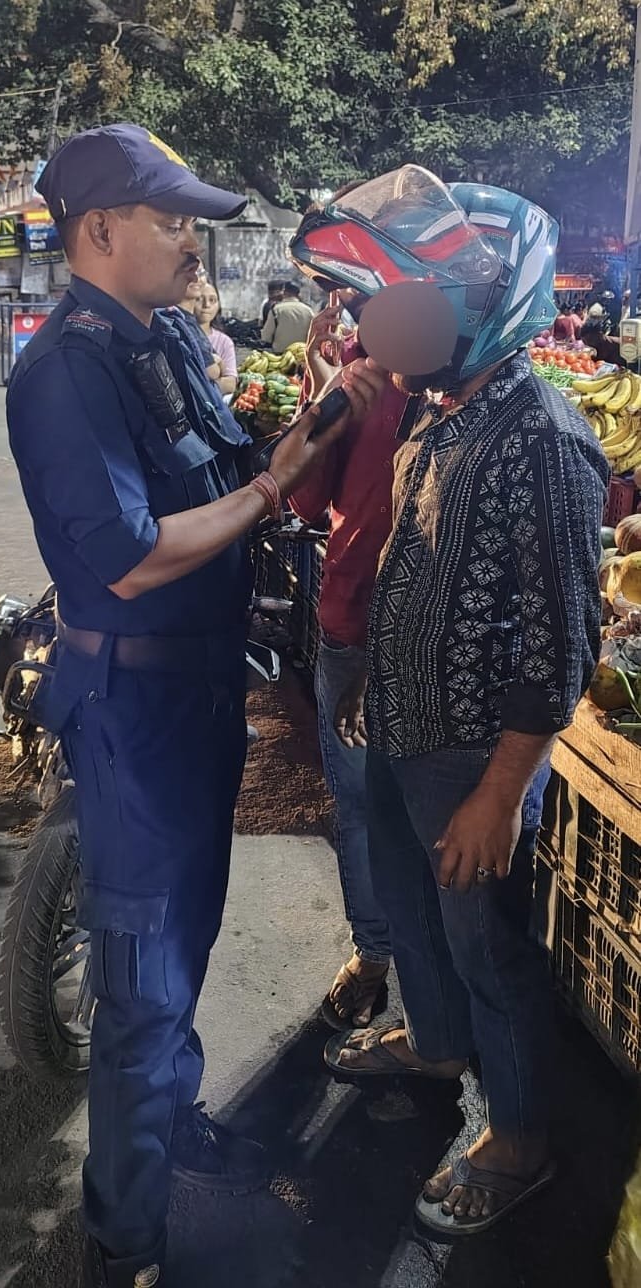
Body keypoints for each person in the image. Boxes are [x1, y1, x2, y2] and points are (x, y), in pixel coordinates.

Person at [5, 122, 385, 1288]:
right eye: (170, 218)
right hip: (135, 713)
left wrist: (322, 414)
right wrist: (272, 486)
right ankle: (125, 1241)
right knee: (142, 979)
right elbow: (129, 558)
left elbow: (230, 472)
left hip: (200, 695)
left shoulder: (159, 339)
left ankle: (171, 1130)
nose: (191, 241)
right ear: (98, 230)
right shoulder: (64, 370)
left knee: (184, 939)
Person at [291, 167, 609, 1236]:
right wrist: (370, 680)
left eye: (412, 300)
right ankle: (433, 1045)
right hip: (400, 725)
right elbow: (410, 564)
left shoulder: (545, 441)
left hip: (474, 756)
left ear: (486, 304)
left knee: (488, 949)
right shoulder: (436, 412)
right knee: (413, 907)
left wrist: (498, 795)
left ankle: (518, 1139)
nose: (386, 322)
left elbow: (563, 643)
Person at [289, 289, 408, 1029]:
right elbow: (306, 502)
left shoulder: (471, 385)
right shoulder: (356, 380)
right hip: (353, 623)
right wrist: (321, 388)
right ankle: (374, 953)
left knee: (426, 811)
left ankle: (432, 983)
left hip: (433, 640)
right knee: (362, 804)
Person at [194, 281, 237, 396]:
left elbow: (230, 384)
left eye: (212, 300)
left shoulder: (224, 342)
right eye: (199, 299)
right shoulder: (179, 336)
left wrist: (196, 386)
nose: (206, 305)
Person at [261, 280, 314, 353]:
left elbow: (266, 337)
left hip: (280, 355)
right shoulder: (309, 310)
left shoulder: (276, 310)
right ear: (298, 293)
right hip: (302, 353)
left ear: (284, 293)